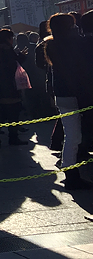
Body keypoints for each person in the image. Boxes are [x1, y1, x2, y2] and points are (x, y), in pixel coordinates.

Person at [44, 13, 93, 190]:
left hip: (62, 94)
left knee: (71, 135)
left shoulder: (51, 44)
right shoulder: (76, 44)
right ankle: (71, 172)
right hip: (78, 95)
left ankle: (69, 170)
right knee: (74, 136)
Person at [0, 29, 28, 145]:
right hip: (10, 84)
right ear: (9, 38)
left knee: (2, 111)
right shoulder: (7, 49)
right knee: (14, 111)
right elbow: (13, 64)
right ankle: (13, 137)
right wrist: (21, 56)